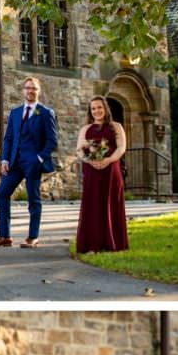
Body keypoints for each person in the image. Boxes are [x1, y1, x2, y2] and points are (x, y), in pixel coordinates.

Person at [0, 75, 58, 247]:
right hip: (15, 161)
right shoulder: (15, 113)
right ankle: (5, 236)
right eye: (28, 88)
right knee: (1, 194)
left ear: (39, 91)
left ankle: (32, 237)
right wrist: (5, 159)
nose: (31, 91)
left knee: (33, 199)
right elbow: (8, 138)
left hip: (33, 162)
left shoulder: (46, 113)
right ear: (23, 90)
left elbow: (52, 141)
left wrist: (39, 158)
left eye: (34, 88)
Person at [76, 94, 129, 253]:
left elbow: (121, 148)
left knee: (111, 204)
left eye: (99, 107)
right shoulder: (85, 129)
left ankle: (114, 243)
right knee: (93, 206)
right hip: (92, 172)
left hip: (111, 171)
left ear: (105, 109)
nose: (96, 111)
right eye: (93, 108)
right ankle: (92, 245)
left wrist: (108, 160)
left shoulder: (116, 126)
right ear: (90, 111)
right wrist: (88, 160)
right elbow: (79, 150)